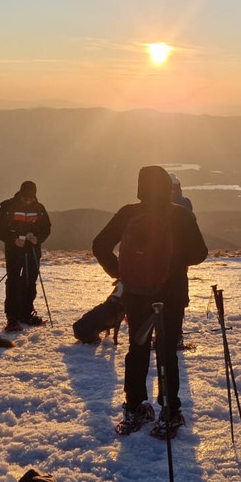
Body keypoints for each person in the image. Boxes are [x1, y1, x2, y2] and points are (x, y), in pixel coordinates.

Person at [92, 166, 208, 438]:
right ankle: (169, 412)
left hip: (135, 294)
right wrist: (173, 263)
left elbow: (100, 245)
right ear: (168, 187)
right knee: (167, 352)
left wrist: (121, 272)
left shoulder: (128, 213)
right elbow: (200, 253)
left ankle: (135, 408)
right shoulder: (180, 215)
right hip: (172, 294)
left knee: (138, 348)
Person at [0, 181, 52, 330]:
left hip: (32, 250)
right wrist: (13, 240)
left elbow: (46, 227)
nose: (28, 201)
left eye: (31, 198)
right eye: (25, 198)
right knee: (13, 281)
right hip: (14, 250)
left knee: (30, 281)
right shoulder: (7, 207)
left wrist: (38, 238)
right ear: (20, 194)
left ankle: (26, 313)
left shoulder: (39, 208)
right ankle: (12, 317)